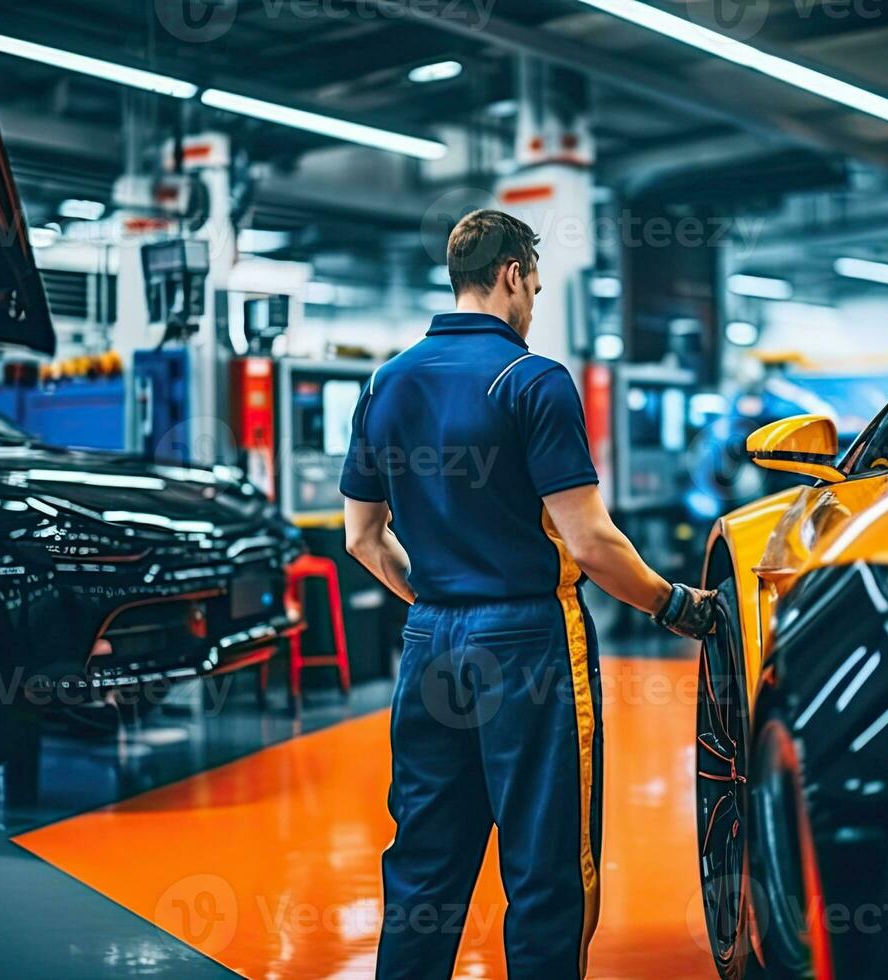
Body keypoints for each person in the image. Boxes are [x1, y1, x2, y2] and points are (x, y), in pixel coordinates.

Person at [341, 208, 716, 979]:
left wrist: (440, 604)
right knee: (547, 865)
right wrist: (674, 604)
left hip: (429, 640)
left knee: (424, 862)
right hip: (528, 644)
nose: (532, 304)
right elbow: (591, 543)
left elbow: (362, 538)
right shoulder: (534, 380)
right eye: (535, 288)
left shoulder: (384, 382)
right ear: (512, 273)